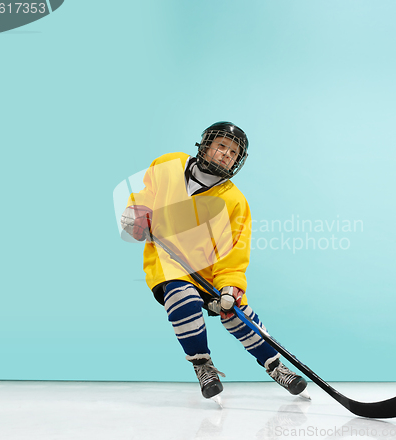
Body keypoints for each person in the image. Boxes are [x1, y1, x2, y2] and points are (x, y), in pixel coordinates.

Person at [121, 121, 308, 402]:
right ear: (206, 145)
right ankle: (203, 366)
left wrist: (230, 287)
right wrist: (135, 214)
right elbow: (144, 197)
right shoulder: (168, 164)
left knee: (238, 314)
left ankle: (275, 366)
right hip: (168, 262)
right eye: (222, 146)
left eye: (233, 153)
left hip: (209, 274)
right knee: (181, 296)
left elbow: (233, 253)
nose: (226, 154)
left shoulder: (235, 200)